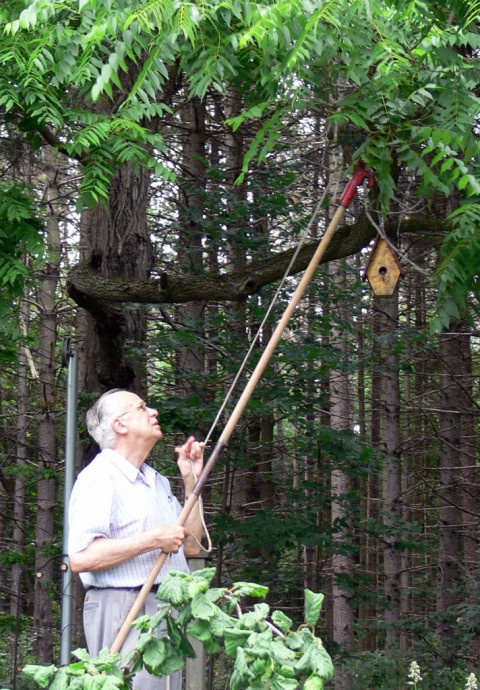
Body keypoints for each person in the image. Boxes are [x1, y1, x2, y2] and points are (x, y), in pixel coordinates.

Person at [68, 388, 205, 690]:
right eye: (142, 407)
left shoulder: (156, 480)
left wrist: (191, 480)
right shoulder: (99, 477)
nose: (153, 411)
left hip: (164, 608)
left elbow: (192, 546)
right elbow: (81, 557)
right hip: (123, 606)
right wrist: (153, 539)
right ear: (120, 425)